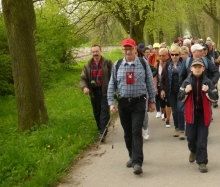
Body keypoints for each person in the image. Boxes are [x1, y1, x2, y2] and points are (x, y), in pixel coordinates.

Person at [107, 38, 156, 175]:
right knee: (128, 133)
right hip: (123, 103)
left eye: (130, 48)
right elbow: (112, 85)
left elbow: (150, 83)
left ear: (135, 49)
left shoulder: (143, 63)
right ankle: (132, 156)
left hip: (139, 102)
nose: (128, 51)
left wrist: (152, 101)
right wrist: (111, 103)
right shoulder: (117, 65)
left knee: (136, 131)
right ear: (122, 50)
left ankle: (137, 162)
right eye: (125, 49)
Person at [178, 58, 218, 173]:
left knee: (202, 140)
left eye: (199, 67)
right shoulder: (186, 82)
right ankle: (193, 150)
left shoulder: (208, 82)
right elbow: (180, 97)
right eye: (195, 67)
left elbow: (215, 98)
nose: (197, 69)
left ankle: (202, 162)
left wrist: (207, 91)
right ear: (191, 68)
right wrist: (186, 91)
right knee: (190, 138)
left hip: (203, 115)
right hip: (191, 115)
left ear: (203, 69)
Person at [79, 45, 112, 141]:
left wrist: (114, 88)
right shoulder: (87, 65)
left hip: (105, 92)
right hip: (93, 92)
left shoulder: (108, 63)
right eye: (93, 52)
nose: (95, 54)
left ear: (101, 51)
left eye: (97, 51)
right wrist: (84, 87)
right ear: (91, 53)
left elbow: (114, 76)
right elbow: (82, 79)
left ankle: (102, 133)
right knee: (97, 113)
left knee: (104, 112)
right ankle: (101, 128)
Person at [160, 45, 185, 139]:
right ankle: (177, 128)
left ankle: (182, 130)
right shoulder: (167, 64)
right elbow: (162, 78)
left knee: (181, 110)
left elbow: (188, 77)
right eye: (172, 54)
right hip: (170, 91)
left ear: (179, 55)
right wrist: (162, 89)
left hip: (181, 91)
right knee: (174, 111)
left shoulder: (184, 64)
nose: (174, 56)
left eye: (176, 54)